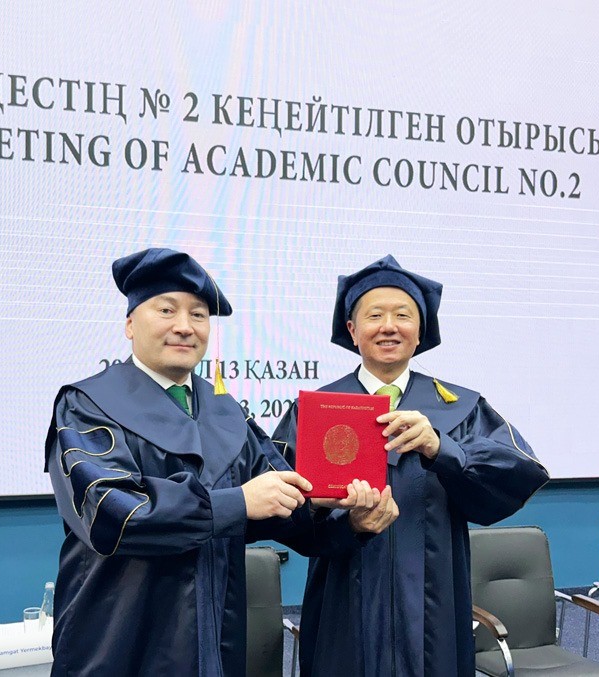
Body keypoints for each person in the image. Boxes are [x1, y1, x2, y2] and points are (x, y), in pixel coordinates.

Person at [44, 247, 398, 676]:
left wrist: (348, 518)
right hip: (121, 638)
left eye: (198, 315)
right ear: (130, 323)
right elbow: (112, 515)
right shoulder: (87, 405)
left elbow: (282, 502)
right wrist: (237, 503)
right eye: (166, 310)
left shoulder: (226, 413)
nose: (184, 326)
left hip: (215, 636)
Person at [272, 254, 550, 677]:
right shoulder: (314, 412)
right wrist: (343, 522)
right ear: (352, 330)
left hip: (434, 606)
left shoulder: (460, 408)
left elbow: (516, 477)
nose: (389, 326)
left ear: (420, 332)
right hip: (344, 600)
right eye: (374, 315)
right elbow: (279, 509)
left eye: (403, 315)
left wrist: (443, 450)